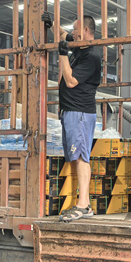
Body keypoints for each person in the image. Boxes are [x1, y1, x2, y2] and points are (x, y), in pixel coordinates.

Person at [41, 11, 102, 221]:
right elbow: (62, 34)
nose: (72, 33)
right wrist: (52, 24)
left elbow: (70, 81)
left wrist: (62, 55)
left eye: (76, 29)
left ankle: (84, 205)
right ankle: (84, 203)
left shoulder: (91, 56)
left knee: (82, 157)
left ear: (85, 30)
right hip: (71, 112)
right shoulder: (79, 46)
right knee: (77, 157)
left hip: (81, 113)